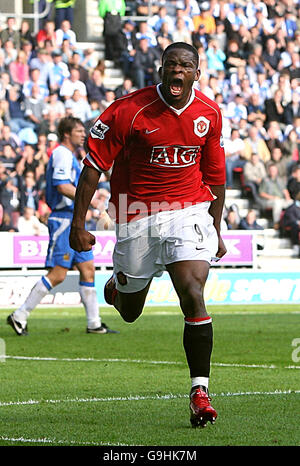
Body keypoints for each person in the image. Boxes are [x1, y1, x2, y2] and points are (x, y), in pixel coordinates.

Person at [69, 42, 226, 428]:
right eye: (171, 65)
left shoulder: (209, 114)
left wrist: (216, 229)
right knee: (130, 312)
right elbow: (92, 169)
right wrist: (79, 224)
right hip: (136, 214)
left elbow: (216, 177)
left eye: (185, 66)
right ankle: (118, 288)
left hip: (187, 211)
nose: (177, 72)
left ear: (196, 73)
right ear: (160, 69)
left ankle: (199, 391)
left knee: (192, 290)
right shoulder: (128, 110)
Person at [7, 116, 118, 336]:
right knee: (58, 274)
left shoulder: (71, 156)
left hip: (73, 219)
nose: (82, 134)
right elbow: (61, 186)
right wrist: (91, 200)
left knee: (88, 270)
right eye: (78, 131)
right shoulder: (61, 154)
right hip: (64, 220)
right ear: (66, 134)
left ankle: (94, 323)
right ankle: (19, 315)